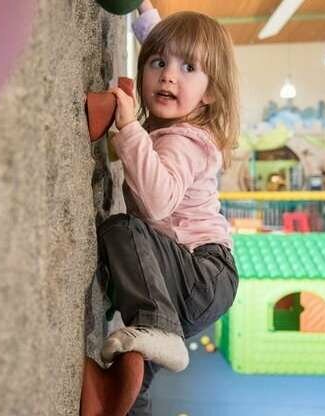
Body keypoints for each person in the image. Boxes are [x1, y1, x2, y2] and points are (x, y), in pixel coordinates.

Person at [94, 1, 239, 413]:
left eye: (188, 68)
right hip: (185, 280)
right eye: (158, 64)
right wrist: (144, 10)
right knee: (135, 370)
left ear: (210, 93)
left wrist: (128, 127)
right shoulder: (174, 117)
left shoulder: (184, 139)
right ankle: (117, 400)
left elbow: (158, 203)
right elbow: (160, 46)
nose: (168, 75)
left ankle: (160, 329)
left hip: (200, 273)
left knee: (122, 229)